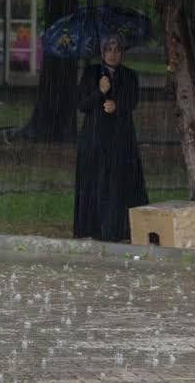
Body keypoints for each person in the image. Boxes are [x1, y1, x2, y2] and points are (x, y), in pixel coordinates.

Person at [73, 34, 148, 242]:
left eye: (117, 50)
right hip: (95, 137)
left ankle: (119, 228)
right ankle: (94, 227)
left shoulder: (130, 75)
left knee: (118, 181)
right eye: (109, 49)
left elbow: (132, 101)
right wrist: (100, 91)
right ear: (102, 52)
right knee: (96, 181)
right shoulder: (91, 73)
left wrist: (117, 105)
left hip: (120, 137)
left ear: (122, 52)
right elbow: (82, 105)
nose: (113, 54)